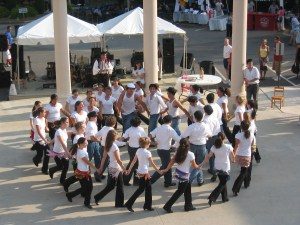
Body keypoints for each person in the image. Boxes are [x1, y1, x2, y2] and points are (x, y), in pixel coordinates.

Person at [124, 137, 162, 212]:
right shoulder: (147, 153)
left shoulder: (138, 150)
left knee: (147, 188)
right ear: (147, 144)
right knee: (142, 189)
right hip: (144, 173)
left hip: (140, 171)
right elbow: (152, 163)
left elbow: (133, 161)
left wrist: (129, 169)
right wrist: (158, 171)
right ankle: (130, 203)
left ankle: (147, 205)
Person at [162, 138, 200, 213]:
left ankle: (188, 205)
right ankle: (167, 206)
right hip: (185, 175)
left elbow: (171, 162)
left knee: (187, 190)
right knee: (180, 191)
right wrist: (200, 166)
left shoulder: (177, 152)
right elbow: (194, 166)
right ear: (188, 145)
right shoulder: (191, 154)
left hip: (178, 173)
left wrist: (166, 169)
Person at [94, 130, 126, 207]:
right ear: (114, 137)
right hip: (116, 168)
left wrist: (101, 167)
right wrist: (124, 169)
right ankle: (119, 203)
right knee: (119, 186)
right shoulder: (114, 146)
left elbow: (104, 157)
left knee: (112, 186)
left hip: (111, 167)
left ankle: (98, 197)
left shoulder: (107, 144)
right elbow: (118, 160)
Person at [202, 133, 234, 206]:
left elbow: (209, 156)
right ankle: (212, 197)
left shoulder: (214, 147)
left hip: (217, 167)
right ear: (224, 138)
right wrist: (233, 160)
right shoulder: (228, 146)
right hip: (225, 167)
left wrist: (203, 163)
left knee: (223, 182)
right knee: (222, 183)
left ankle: (224, 198)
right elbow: (232, 156)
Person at [181, 110, 212, 186]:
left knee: (194, 165)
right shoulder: (205, 126)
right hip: (202, 146)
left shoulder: (191, 126)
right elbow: (210, 135)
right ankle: (199, 180)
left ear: (194, 117)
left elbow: (183, 136)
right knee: (199, 165)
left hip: (192, 146)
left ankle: (189, 180)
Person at [149, 115, 181, 187]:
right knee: (165, 167)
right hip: (165, 151)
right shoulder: (170, 129)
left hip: (159, 150)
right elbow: (178, 139)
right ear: (170, 121)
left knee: (167, 166)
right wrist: (176, 145)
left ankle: (168, 182)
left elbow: (150, 134)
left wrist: (151, 142)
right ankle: (150, 181)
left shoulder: (158, 128)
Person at [66, 137, 95, 209]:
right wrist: (97, 168)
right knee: (87, 187)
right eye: (85, 142)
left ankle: (71, 195)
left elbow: (86, 162)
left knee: (88, 187)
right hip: (82, 172)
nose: (87, 143)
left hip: (84, 171)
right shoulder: (80, 152)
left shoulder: (82, 149)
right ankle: (72, 195)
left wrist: (89, 169)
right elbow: (87, 162)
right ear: (81, 144)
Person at [232, 121, 256, 196]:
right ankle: (236, 188)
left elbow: (236, 146)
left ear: (241, 127)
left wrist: (233, 156)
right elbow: (252, 146)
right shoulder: (252, 135)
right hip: (247, 156)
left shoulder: (238, 135)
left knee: (243, 171)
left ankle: (244, 184)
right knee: (243, 172)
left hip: (239, 155)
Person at [121, 117, 147, 186]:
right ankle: (128, 180)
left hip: (131, 148)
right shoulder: (141, 129)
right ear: (139, 123)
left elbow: (123, 138)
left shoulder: (129, 130)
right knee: (135, 165)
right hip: (138, 149)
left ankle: (129, 180)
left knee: (133, 163)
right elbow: (145, 138)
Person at [63, 122, 86, 192]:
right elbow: (76, 150)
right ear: (79, 128)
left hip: (82, 159)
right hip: (78, 160)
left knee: (79, 177)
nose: (85, 128)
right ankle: (83, 192)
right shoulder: (77, 138)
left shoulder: (82, 135)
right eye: (84, 127)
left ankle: (66, 183)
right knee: (80, 177)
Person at [49, 117, 71, 184]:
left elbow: (55, 138)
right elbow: (62, 143)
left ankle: (62, 180)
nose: (68, 123)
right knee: (60, 166)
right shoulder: (58, 131)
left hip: (63, 152)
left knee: (66, 166)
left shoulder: (64, 130)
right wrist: (68, 153)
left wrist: (50, 142)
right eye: (67, 122)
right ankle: (51, 170)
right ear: (62, 123)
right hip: (57, 152)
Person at [203, 105, 221, 181]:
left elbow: (206, 131)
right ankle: (216, 167)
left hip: (210, 138)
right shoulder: (215, 118)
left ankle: (212, 168)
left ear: (205, 111)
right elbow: (218, 128)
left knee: (211, 154)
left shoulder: (205, 120)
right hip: (216, 136)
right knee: (216, 152)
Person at [32, 107, 50, 174]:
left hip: (44, 139)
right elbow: (39, 132)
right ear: (40, 113)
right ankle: (35, 159)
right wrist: (45, 140)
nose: (45, 113)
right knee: (39, 155)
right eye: (44, 112)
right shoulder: (36, 120)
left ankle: (44, 169)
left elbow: (45, 129)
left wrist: (47, 128)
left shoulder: (45, 119)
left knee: (47, 154)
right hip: (38, 140)